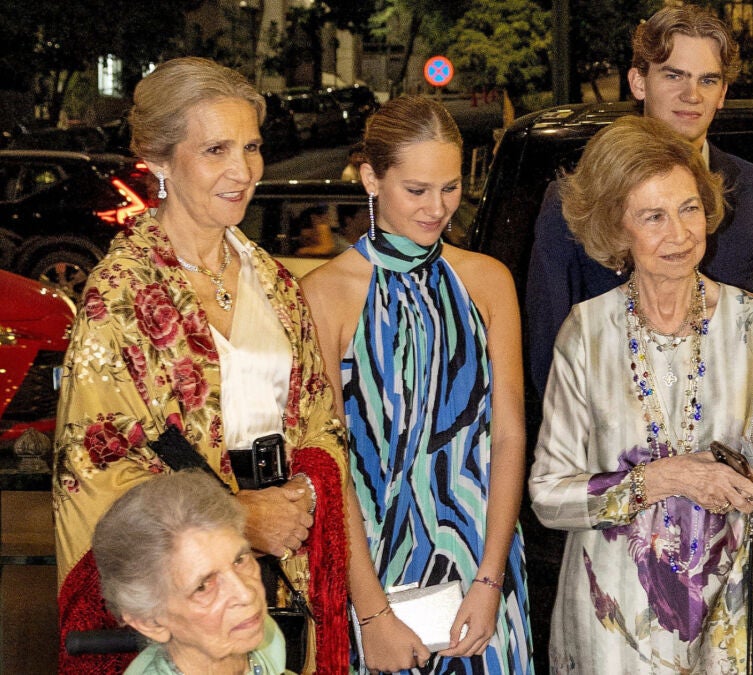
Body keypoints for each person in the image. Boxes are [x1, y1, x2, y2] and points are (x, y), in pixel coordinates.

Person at [53, 57, 348, 674]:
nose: (243, 171)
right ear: (158, 161)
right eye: (216, 150)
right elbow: (96, 465)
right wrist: (239, 519)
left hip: (285, 566)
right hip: (187, 602)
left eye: (251, 147)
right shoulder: (119, 295)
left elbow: (322, 418)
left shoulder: (274, 281)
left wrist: (299, 498)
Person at [529, 115, 753, 673]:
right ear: (617, 229)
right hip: (615, 630)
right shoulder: (586, 332)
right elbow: (549, 496)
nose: (679, 233)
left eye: (689, 208)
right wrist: (665, 478)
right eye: (653, 216)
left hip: (732, 620)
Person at [302, 96, 532, 673]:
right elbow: (331, 463)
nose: (437, 208)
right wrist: (371, 613)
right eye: (417, 190)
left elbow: (508, 436)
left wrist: (491, 580)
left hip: (483, 567)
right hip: (374, 573)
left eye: (450, 188)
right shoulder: (323, 294)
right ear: (370, 179)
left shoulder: (488, 280)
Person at [525, 3, 753, 397]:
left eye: (708, 80)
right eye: (674, 75)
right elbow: (549, 355)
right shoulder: (575, 196)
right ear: (639, 82)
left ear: (722, 93)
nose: (691, 95)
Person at [93, 470, 291, 674]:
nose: (246, 594)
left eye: (239, 560)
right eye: (203, 586)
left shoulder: (262, 638)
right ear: (150, 623)